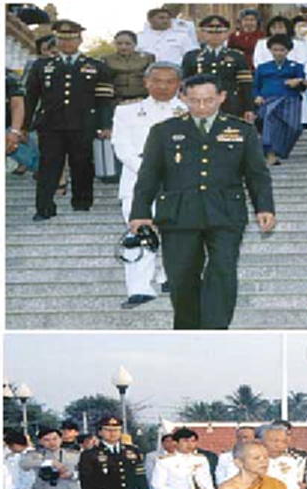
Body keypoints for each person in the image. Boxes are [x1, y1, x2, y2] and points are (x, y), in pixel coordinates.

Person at [129, 73, 276, 330]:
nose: (202, 107)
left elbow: (257, 174)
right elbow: (148, 176)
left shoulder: (241, 130)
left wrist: (264, 207)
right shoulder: (164, 131)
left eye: (208, 100)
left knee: (222, 271)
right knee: (181, 276)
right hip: (178, 214)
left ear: (221, 97)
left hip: (226, 213)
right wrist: (140, 213)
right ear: (183, 98)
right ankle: (187, 330)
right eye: (195, 100)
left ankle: (215, 330)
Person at [21, 20, 115, 222]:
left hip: (83, 124)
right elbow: (30, 98)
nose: (66, 44)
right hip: (50, 125)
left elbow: (104, 100)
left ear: (80, 40)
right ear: (56, 40)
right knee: (48, 166)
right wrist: (23, 126)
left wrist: (105, 125)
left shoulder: (96, 66)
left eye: (71, 39)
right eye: (61, 39)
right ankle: (44, 207)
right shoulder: (42, 66)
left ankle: (82, 203)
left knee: (82, 164)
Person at [111, 62, 187, 311]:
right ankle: (140, 289)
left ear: (179, 84)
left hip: (179, 185)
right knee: (140, 235)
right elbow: (122, 148)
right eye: (157, 81)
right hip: (137, 182)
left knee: (178, 234)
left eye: (170, 81)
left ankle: (169, 278)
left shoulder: (189, 111)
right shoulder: (126, 112)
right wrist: (150, 172)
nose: (163, 86)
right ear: (146, 82)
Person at [182, 15, 254, 122]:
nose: (215, 36)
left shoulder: (237, 56)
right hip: (201, 104)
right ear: (201, 34)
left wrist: (249, 108)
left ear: (226, 34)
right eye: (210, 32)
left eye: (219, 32)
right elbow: (185, 84)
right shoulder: (191, 57)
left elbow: (245, 85)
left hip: (231, 105)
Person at [253, 35, 306, 166]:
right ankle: (270, 153)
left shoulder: (296, 66)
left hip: (290, 100)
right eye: (275, 49)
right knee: (270, 124)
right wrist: (257, 96)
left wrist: (298, 82)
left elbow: (303, 86)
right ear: (270, 50)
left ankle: (281, 150)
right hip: (268, 100)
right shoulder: (262, 67)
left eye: (282, 50)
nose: (278, 53)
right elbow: (255, 85)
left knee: (295, 128)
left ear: (288, 51)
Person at [104, 31, 156, 103]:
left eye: (128, 44)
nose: (123, 47)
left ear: (135, 44)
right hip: (116, 98)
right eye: (119, 44)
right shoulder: (107, 59)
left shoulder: (147, 58)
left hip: (143, 97)